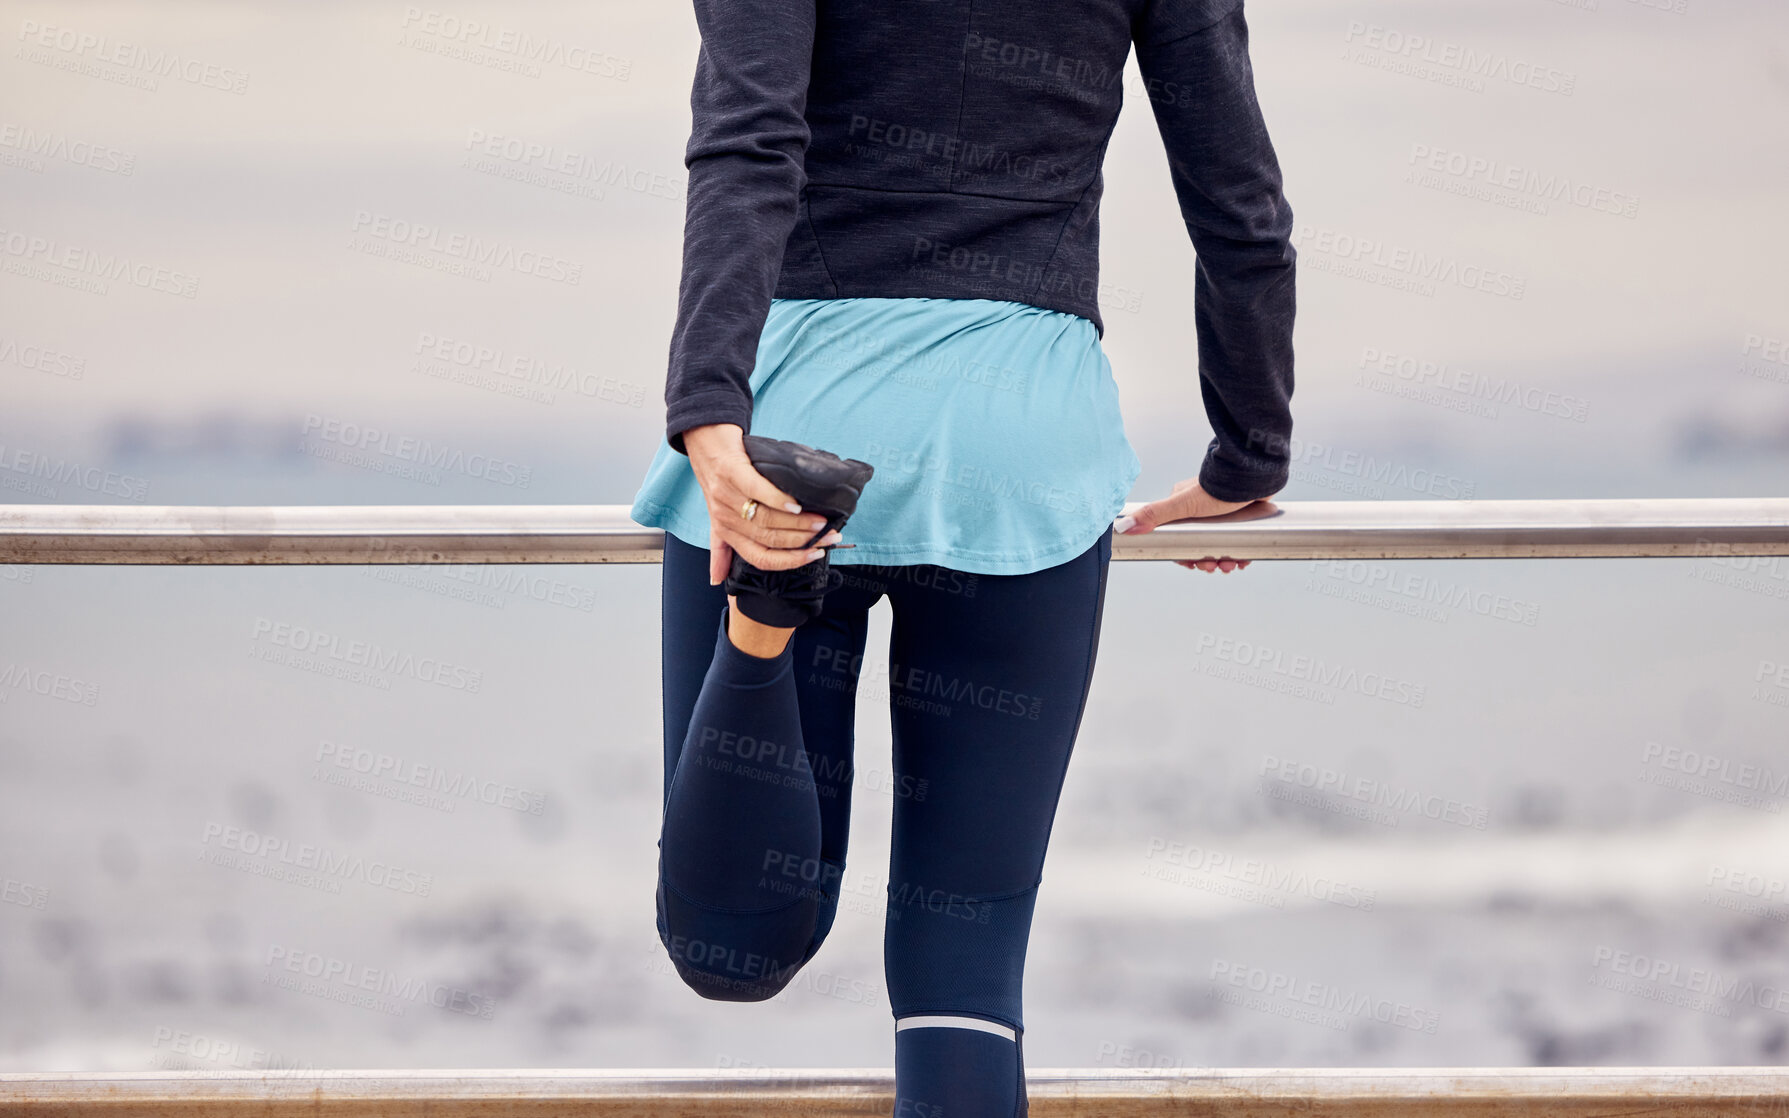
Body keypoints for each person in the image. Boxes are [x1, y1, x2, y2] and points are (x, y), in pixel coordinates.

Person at [629, 0, 1296, 1112]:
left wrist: (707, 408)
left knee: (730, 953)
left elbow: (747, 140)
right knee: (963, 954)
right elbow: (1238, 207)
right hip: (1018, 436)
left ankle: (765, 616)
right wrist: (1246, 452)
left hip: (798, 433)